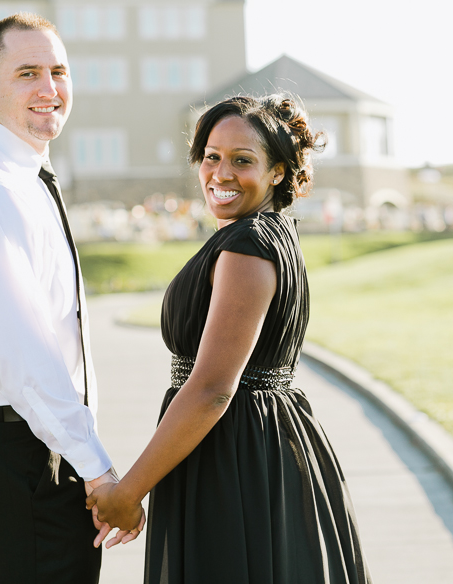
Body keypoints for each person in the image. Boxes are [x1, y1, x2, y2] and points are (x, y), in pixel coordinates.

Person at [86, 94, 372, 583]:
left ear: (278, 171)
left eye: (242, 160)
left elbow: (214, 387)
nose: (220, 173)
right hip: (255, 445)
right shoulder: (271, 234)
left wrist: (130, 491)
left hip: (234, 456)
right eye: (211, 156)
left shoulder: (248, 246)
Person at [0, 13, 140, 584]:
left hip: (9, 444)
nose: (49, 88)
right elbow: (20, 352)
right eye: (28, 73)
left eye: (58, 71)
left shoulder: (20, 176)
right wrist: (98, 471)